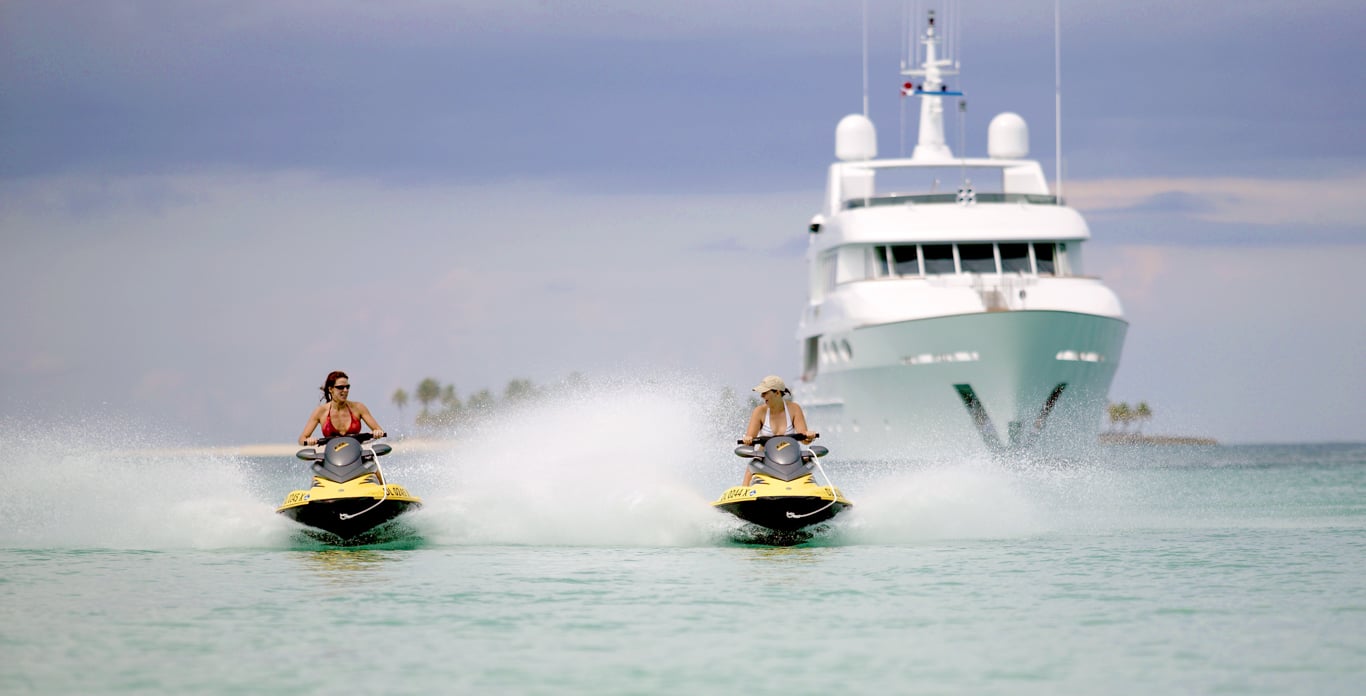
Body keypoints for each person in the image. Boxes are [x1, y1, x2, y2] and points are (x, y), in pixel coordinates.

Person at [740, 375, 814, 485]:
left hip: (791, 459)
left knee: (808, 462)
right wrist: (748, 440)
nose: (761, 396)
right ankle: (744, 492)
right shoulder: (759, 412)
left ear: (778, 393)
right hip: (765, 459)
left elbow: (804, 439)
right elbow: (749, 444)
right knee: (751, 467)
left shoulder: (794, 409)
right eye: (761, 393)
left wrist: (809, 436)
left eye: (765, 393)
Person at [298, 371, 386, 447]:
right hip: (333, 458)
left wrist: (377, 432)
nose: (345, 390)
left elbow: (378, 429)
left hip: (355, 456)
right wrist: (309, 440)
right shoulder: (320, 411)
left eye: (347, 387)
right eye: (340, 387)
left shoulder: (359, 407)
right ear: (331, 389)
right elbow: (302, 439)